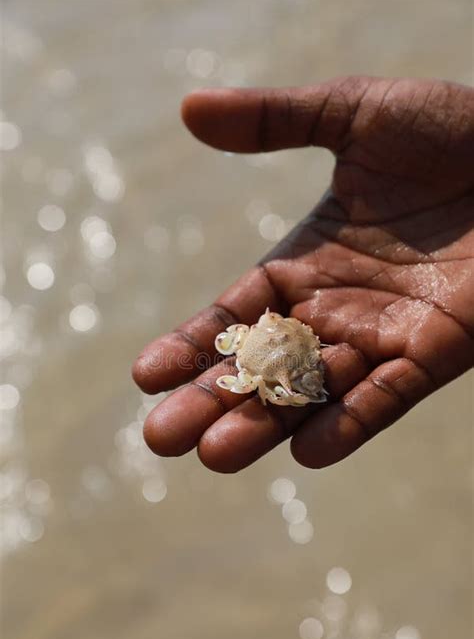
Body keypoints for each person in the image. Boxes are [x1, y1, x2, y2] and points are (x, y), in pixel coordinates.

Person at [132, 76, 474, 472]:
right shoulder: (268, 359)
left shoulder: (266, 343)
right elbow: (273, 380)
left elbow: (249, 360)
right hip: (268, 362)